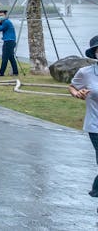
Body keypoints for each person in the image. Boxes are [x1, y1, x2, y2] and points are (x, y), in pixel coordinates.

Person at [68, 35, 98, 205]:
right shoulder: (86, 73)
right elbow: (72, 86)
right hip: (96, 125)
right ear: (95, 53)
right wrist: (77, 93)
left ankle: (97, 187)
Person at [0, 9, 19, 76]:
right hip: (11, 41)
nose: (0, 17)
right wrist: (0, 23)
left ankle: (1, 73)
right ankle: (15, 72)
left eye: (2, 15)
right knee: (11, 58)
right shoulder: (6, 21)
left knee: (4, 57)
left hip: (8, 42)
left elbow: (0, 29)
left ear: (5, 15)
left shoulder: (6, 22)